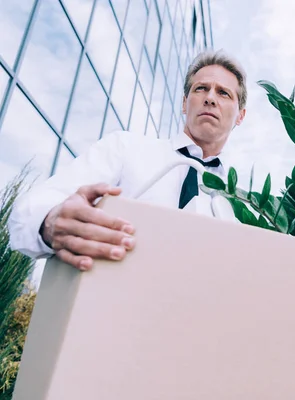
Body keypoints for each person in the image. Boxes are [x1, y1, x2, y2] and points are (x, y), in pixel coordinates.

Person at [8, 50, 247, 271]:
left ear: (240, 116)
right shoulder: (125, 148)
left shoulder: (239, 207)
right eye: (201, 89)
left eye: (223, 93)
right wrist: (50, 221)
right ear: (185, 103)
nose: (210, 98)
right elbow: (29, 209)